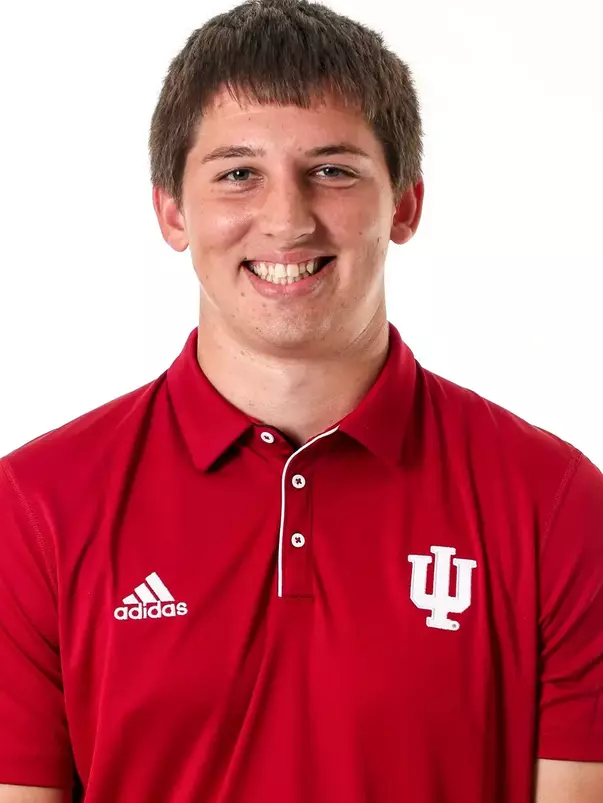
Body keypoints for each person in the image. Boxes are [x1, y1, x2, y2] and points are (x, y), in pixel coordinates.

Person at [0, 0, 602, 800]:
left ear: (405, 205)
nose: (285, 219)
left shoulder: (553, 504)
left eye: (332, 170)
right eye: (238, 173)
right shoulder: (35, 508)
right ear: (173, 211)